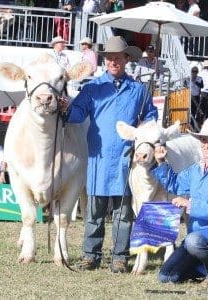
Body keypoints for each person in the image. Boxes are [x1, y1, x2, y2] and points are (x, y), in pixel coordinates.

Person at [64, 36, 158, 273]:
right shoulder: (92, 88)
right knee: (94, 212)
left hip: (127, 160)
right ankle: (90, 255)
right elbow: (76, 114)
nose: (113, 61)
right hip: (98, 158)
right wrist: (64, 106)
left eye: (118, 57)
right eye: (109, 58)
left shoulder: (139, 90)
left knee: (123, 213)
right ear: (105, 60)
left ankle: (119, 257)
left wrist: (146, 133)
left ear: (127, 59)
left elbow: (151, 117)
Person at [152, 117, 208, 285]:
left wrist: (191, 205)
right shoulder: (196, 169)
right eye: (203, 140)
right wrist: (161, 161)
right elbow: (175, 184)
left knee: (193, 241)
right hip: (197, 238)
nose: (206, 145)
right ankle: (205, 267)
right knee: (167, 276)